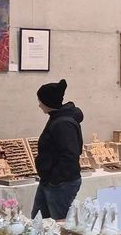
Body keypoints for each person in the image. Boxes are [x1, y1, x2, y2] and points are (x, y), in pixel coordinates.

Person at [32, 79, 84, 220]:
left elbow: (70, 154)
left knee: (59, 224)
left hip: (61, 183)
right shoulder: (57, 118)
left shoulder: (63, 123)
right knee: (38, 221)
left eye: (40, 101)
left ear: (48, 102)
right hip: (50, 181)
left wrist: (55, 179)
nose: (39, 105)